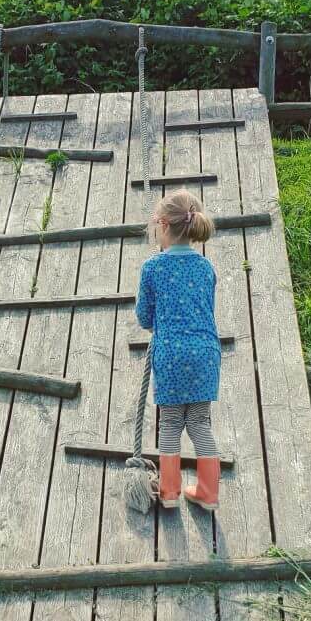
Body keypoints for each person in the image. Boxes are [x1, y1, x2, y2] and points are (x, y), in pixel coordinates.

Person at [135, 189, 221, 511]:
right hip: (205, 353)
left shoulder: (153, 268)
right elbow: (207, 310)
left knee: (170, 424)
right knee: (200, 423)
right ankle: (208, 493)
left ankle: (170, 492)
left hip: (171, 354)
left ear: (163, 225)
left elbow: (145, 316)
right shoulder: (205, 268)